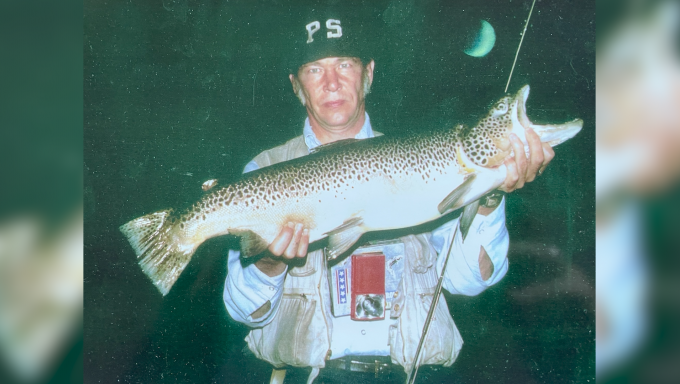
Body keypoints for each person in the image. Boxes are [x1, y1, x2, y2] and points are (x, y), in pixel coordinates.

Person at [224, 10, 554, 384]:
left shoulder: (421, 159)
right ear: (296, 86)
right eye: (314, 69)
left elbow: (469, 282)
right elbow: (244, 312)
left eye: (345, 64)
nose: (331, 82)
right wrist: (269, 260)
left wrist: (489, 196)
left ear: (369, 74)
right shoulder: (264, 169)